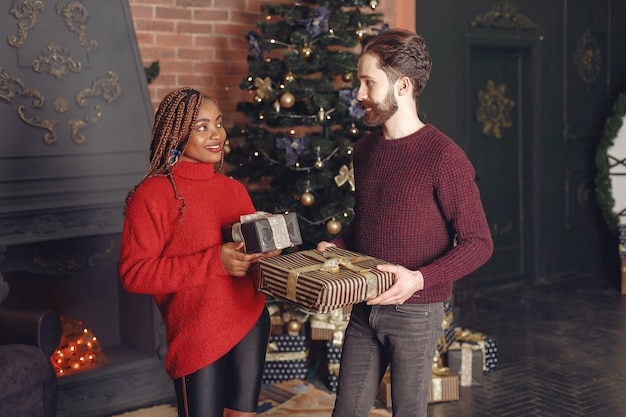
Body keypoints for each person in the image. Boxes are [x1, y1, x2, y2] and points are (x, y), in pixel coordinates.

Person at [317, 29, 494, 417]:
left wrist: (417, 280)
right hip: (364, 304)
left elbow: (479, 242)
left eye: (368, 82)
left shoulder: (444, 157)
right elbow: (366, 223)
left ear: (403, 85)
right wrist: (339, 247)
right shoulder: (363, 150)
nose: (359, 94)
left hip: (417, 312)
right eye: (359, 82)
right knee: (345, 411)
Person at [119, 87, 280, 417]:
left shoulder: (234, 190)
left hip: (250, 320)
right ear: (176, 134)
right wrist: (215, 262)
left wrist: (264, 255)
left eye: (218, 123)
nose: (216, 134)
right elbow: (134, 274)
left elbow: (247, 258)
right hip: (196, 334)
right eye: (202, 127)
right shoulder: (152, 195)